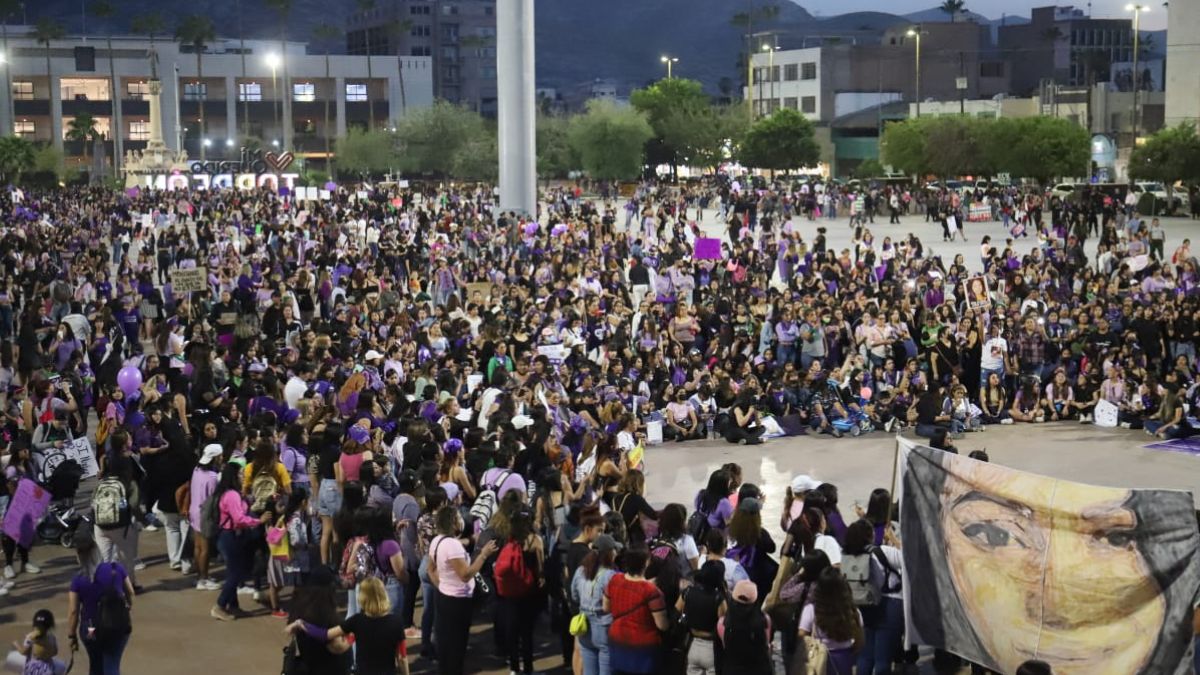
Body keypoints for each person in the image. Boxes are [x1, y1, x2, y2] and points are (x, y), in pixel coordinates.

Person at [427, 505, 499, 675]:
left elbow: (431, 570)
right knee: (456, 646)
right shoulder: (452, 546)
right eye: (459, 517)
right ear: (453, 522)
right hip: (457, 604)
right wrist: (483, 554)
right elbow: (466, 575)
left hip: (446, 598)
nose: (462, 520)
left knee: (447, 644)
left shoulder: (437, 541)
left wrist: (443, 587)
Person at [288, 576, 409, 675]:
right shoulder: (396, 622)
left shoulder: (356, 621)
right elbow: (402, 657)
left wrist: (302, 624)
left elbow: (325, 635)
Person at [211, 462, 273, 621]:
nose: (243, 476)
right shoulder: (231, 495)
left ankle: (233, 606)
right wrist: (259, 521)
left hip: (235, 536)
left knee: (235, 571)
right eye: (240, 474)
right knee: (236, 573)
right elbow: (239, 518)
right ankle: (219, 605)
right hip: (230, 536)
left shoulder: (235, 493)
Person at [67, 534, 135, 675]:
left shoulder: (78, 580)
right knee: (112, 664)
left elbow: (73, 612)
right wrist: (127, 606)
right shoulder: (116, 568)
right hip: (118, 624)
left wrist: (71, 635)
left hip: (92, 629)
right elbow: (130, 592)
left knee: (96, 664)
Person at [604, 547, 669, 675]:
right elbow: (662, 625)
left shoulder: (615, 580)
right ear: (646, 564)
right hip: (642, 650)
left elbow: (606, 607)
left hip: (617, 642)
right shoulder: (652, 591)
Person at [283, 566, 352, 675]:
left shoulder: (299, 606)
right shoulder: (326, 614)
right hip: (328, 668)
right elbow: (336, 647)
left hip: (307, 665)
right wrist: (352, 637)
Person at [571, 533, 622, 675]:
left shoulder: (581, 571)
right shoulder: (612, 575)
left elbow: (574, 596)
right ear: (609, 553)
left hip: (584, 627)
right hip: (604, 627)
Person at [798, 567, 863, 675]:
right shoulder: (852, 611)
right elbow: (860, 641)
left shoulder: (811, 610)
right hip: (845, 658)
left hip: (818, 657)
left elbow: (802, 635)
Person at [13, 609, 59, 675]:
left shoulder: (30, 637)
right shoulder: (52, 637)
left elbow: (23, 652)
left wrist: (16, 644)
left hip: (32, 669)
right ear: (50, 626)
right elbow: (55, 652)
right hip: (48, 669)